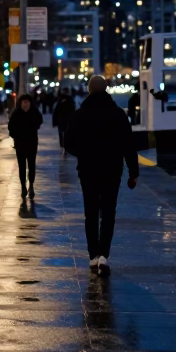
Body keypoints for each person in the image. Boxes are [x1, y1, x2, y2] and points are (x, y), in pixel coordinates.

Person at [64, 74, 139, 275]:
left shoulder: (80, 114)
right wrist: (134, 172)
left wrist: (83, 153)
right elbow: (128, 145)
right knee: (108, 212)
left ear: (89, 90)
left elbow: (68, 142)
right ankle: (104, 256)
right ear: (106, 90)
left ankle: (92, 256)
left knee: (90, 212)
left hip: (88, 170)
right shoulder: (118, 114)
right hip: (112, 169)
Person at [8, 93, 42, 198]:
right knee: (21, 166)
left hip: (32, 143)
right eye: (24, 102)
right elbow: (11, 128)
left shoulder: (35, 112)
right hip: (20, 144)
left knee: (31, 165)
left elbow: (39, 123)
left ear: (30, 103)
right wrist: (16, 137)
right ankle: (23, 186)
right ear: (20, 103)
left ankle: (31, 185)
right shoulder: (16, 114)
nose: (25, 104)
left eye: (27, 102)